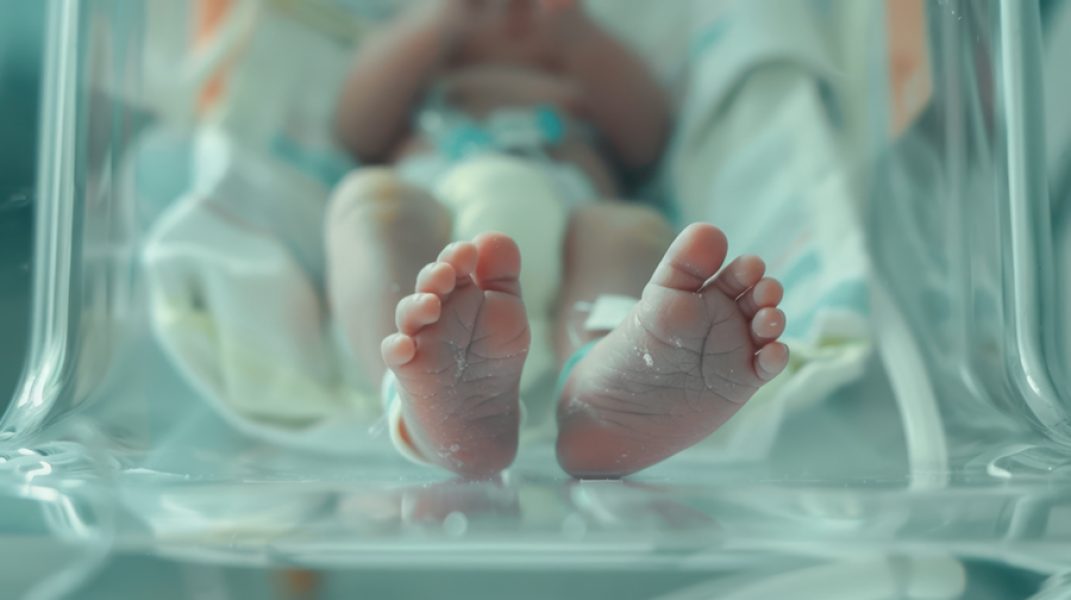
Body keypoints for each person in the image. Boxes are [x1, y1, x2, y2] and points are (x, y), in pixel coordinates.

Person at [326, 0, 789, 478]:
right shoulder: (432, 66)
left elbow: (646, 142)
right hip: (433, 209)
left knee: (628, 230)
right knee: (367, 204)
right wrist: (437, 22)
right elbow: (355, 128)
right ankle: (415, 392)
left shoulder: (581, 64)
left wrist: (577, 37)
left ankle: (606, 383)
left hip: (570, 205)